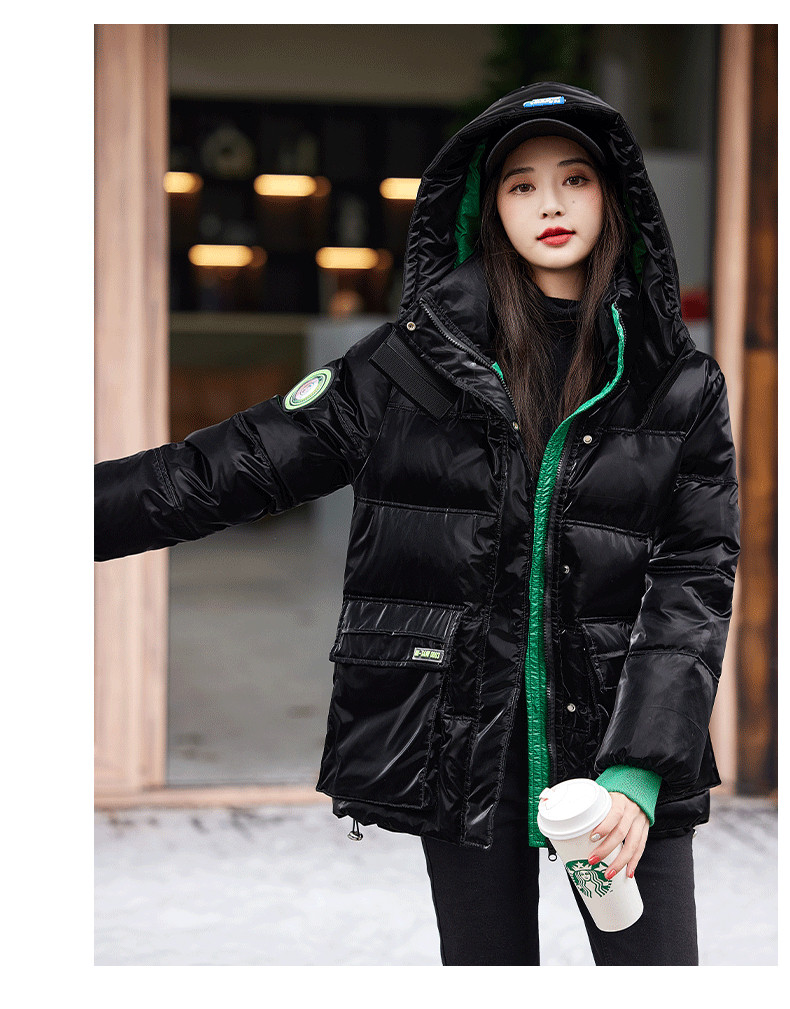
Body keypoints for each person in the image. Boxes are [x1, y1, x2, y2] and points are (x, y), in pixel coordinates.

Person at [95, 82, 740, 966]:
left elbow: (694, 576)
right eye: (521, 185)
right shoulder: (410, 366)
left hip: (624, 746)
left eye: (575, 179)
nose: (550, 204)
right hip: (466, 741)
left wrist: (640, 770)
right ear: (488, 208)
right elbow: (226, 468)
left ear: (613, 195)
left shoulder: (678, 383)